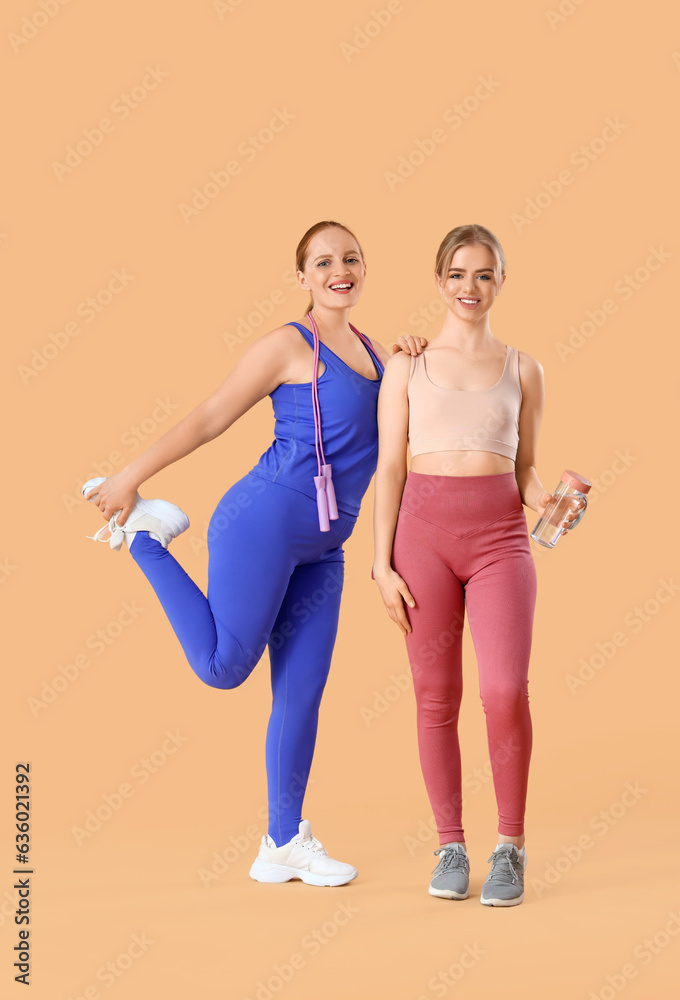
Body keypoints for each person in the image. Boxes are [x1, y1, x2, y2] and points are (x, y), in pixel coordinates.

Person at [82, 220, 426, 888]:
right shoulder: (287, 347)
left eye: (350, 258)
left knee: (302, 693)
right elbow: (213, 415)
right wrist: (128, 477)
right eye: (322, 262)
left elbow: (400, 446)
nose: (339, 270)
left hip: (327, 547)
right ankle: (148, 538)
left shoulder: (381, 356)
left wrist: (416, 352)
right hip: (262, 521)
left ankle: (281, 842)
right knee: (222, 667)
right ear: (302, 278)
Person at [372, 224, 586, 906]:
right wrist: (380, 564)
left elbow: (523, 470)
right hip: (421, 540)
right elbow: (388, 467)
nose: (470, 287)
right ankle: (449, 845)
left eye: (484, 274)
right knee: (436, 699)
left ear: (500, 282)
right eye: (458, 274)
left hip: (500, 540)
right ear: (440, 281)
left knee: (503, 692)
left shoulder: (525, 369)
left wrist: (548, 500)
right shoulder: (407, 364)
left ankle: (510, 850)